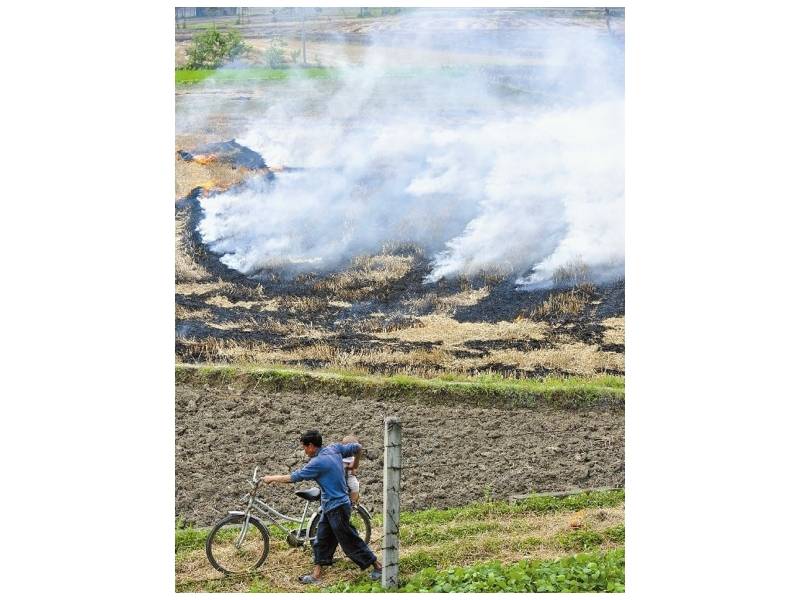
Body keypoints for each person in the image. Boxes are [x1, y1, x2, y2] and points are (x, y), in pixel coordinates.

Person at [261, 430, 382, 585]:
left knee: (350, 541)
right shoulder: (334, 448)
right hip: (330, 506)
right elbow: (358, 447)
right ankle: (317, 575)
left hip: (337, 507)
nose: (304, 451)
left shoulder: (317, 463)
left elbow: (294, 477)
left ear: (311, 446)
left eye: (304, 447)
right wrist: (354, 465)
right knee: (322, 540)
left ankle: (378, 567)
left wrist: (272, 478)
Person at [341, 434, 361, 505]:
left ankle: (352, 502)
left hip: (345, 477)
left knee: (354, 485)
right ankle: (352, 503)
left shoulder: (343, 456)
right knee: (355, 486)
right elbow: (352, 467)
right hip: (343, 477)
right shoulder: (348, 457)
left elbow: (352, 468)